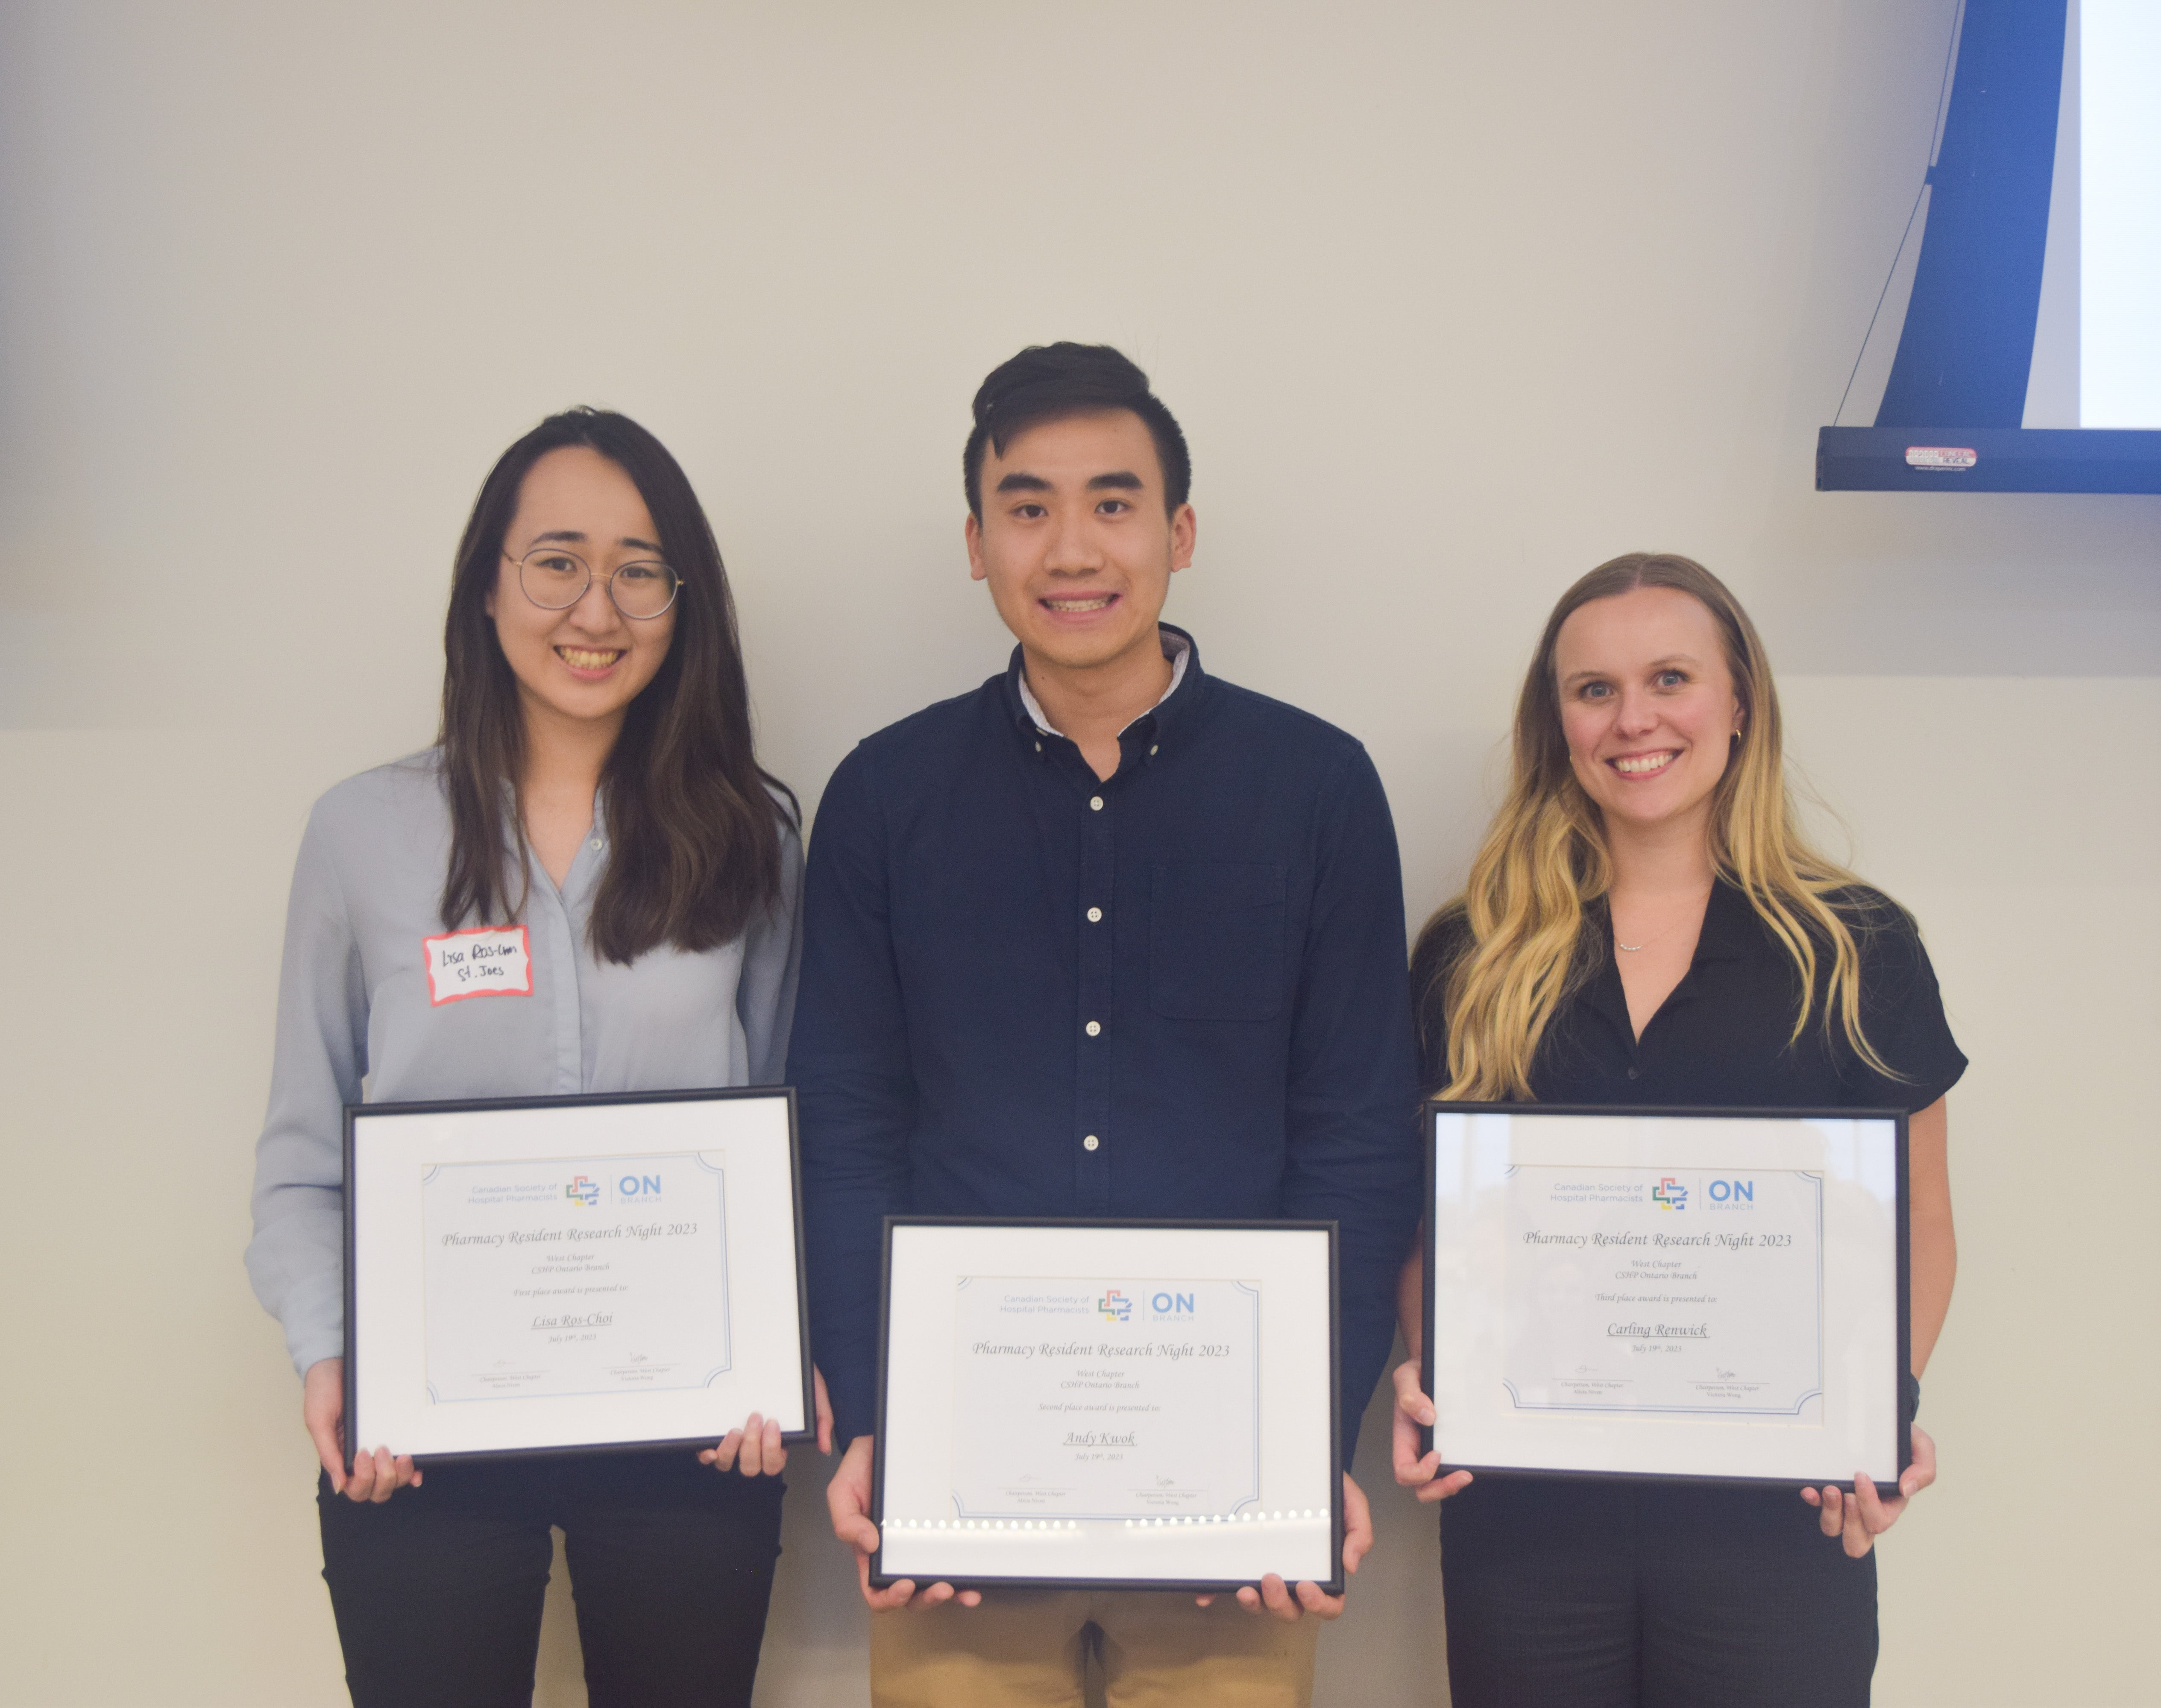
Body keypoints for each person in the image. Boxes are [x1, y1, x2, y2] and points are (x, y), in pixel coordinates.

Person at [792, 342, 1422, 1706]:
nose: (1071, 547)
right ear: (976, 543)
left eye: (1114, 502)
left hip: (1227, 1506)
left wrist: (1307, 1437)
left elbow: (1359, 1135)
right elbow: (845, 1125)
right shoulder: (884, 798)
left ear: (1180, 534)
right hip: (961, 1497)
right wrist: (879, 1415)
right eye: (1026, 507)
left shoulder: (1316, 789)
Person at [245, 408, 806, 1708]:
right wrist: (337, 1354)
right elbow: (298, 1150)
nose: (595, 609)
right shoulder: (364, 835)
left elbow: (787, 1128)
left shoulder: (754, 838)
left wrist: (775, 1354)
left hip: (693, 1438)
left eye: (639, 569)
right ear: (488, 584)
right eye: (556, 561)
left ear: (685, 603)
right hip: (420, 1435)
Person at [1390, 552, 1963, 1708]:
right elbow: (1427, 1225)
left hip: (1778, 1519)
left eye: (1669, 679)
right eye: (1594, 690)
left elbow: (1926, 1229)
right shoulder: (1473, 952)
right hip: (1527, 1514)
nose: (1632, 719)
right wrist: (1422, 1371)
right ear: (1557, 723)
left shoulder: (1858, 948)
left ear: (1739, 703)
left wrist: (1877, 1411)